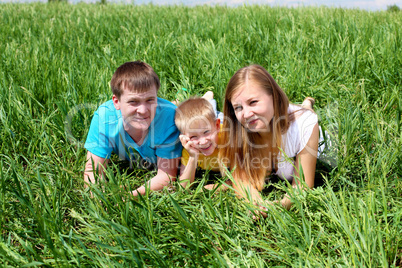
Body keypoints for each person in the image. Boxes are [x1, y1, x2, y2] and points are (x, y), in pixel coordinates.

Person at [219, 64, 319, 211]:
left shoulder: (305, 124)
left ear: (274, 96)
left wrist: (278, 206)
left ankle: (307, 103)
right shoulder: (237, 128)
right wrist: (257, 206)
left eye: (253, 102)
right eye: (238, 107)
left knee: (307, 112)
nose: (246, 114)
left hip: (302, 124)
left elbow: (302, 186)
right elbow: (242, 181)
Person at [84, 61, 182, 196]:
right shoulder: (105, 118)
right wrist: (99, 199)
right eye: (133, 102)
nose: (142, 110)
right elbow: (93, 170)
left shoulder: (170, 118)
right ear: (116, 102)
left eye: (150, 100)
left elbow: (167, 177)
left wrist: (132, 195)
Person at [174, 93, 225, 189]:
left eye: (206, 132)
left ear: (217, 126)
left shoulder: (228, 137)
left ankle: (209, 97)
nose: (203, 142)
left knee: (214, 113)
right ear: (184, 138)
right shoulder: (189, 150)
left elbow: (244, 174)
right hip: (209, 124)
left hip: (221, 121)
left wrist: (221, 187)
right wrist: (193, 157)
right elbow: (183, 186)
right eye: (193, 136)